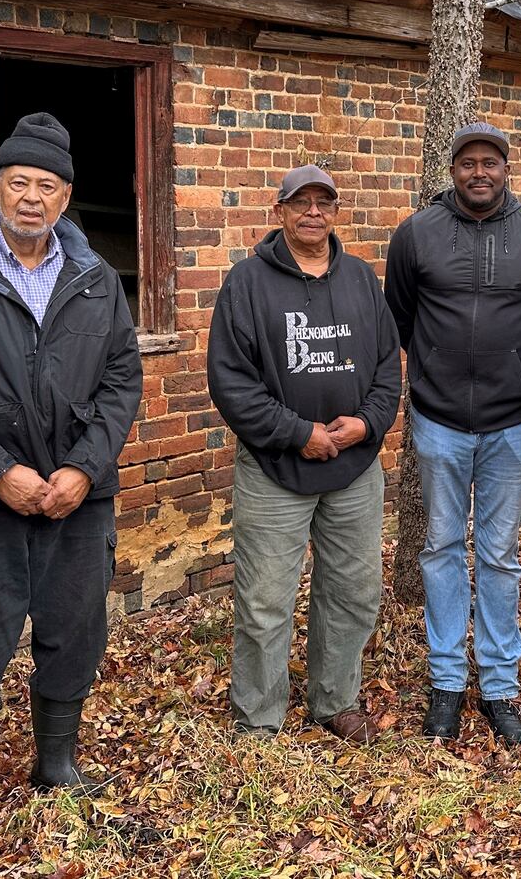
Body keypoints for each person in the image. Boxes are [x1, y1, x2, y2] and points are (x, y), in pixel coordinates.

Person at [0, 112, 142, 847]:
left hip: (77, 497)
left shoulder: (96, 277)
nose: (32, 197)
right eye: (19, 182)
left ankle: (57, 762)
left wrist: (83, 467)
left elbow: (120, 379)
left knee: (75, 628)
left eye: (47, 185)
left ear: (66, 197)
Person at [384, 121, 521, 745]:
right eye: (467, 162)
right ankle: (445, 682)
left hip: (513, 427)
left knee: (498, 555)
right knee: (441, 548)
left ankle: (498, 685)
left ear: (506, 167)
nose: (479, 172)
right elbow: (400, 317)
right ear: (453, 169)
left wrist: (515, 370)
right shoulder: (416, 234)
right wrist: (437, 371)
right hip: (437, 422)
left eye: (490, 161)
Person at [207, 165, 402, 742]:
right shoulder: (246, 283)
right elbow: (231, 384)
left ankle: (335, 699)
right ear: (280, 212)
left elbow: (388, 367)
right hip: (276, 470)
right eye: (300, 202)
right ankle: (259, 717)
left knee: (352, 590)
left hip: (354, 471)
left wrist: (366, 425)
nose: (312, 211)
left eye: (324, 202)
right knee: (266, 599)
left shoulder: (363, 281)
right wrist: (299, 433)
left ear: (336, 211)